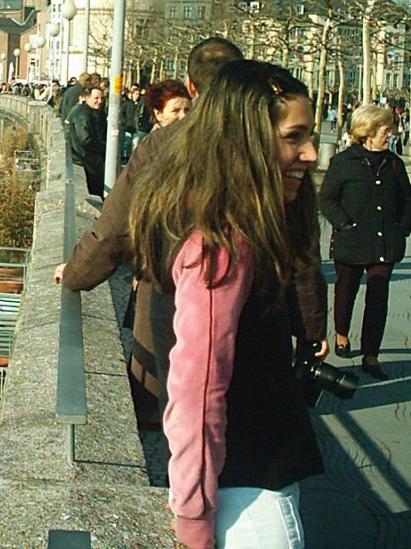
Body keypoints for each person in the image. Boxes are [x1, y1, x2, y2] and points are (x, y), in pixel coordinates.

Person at [130, 60, 324, 549]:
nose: (311, 153)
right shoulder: (222, 242)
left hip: (244, 481)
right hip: (247, 494)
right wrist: (194, 513)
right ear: (246, 139)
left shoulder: (207, 218)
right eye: (294, 137)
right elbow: (197, 386)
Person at [320, 104, 411, 379]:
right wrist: (344, 225)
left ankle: (371, 355)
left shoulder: (394, 163)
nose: (390, 134)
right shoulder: (343, 162)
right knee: (345, 291)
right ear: (368, 131)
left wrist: (401, 228)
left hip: (385, 243)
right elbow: (327, 199)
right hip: (351, 241)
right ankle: (341, 334)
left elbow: (407, 199)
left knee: (378, 297)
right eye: (385, 130)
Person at [65, 85, 106, 197]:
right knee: (95, 193)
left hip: (83, 158)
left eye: (101, 98)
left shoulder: (86, 111)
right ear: (87, 98)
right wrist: (104, 148)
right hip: (85, 160)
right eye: (96, 98)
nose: (100, 101)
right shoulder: (83, 114)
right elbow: (85, 140)